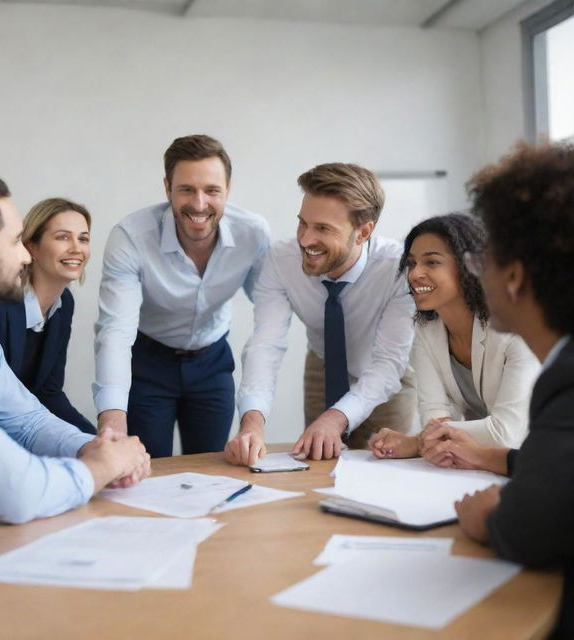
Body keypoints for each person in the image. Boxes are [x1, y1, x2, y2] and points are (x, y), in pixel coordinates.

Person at [0, 173, 150, 638]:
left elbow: (28, 417)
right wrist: (97, 469)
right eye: (16, 241)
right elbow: (17, 492)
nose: (27, 255)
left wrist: (98, 447)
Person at [421, 142, 574, 638]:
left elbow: (528, 529)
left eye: (482, 258)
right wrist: (500, 460)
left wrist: (490, 517)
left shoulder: (565, 379)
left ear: (513, 275)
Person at [226, 162, 417, 466]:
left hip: (387, 373)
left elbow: (388, 363)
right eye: (303, 223)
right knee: (318, 465)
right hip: (323, 362)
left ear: (363, 232)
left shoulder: (399, 269)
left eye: (323, 229)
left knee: (385, 469)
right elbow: (266, 344)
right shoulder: (281, 261)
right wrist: (252, 421)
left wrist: (337, 417)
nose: (305, 239)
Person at [94, 135, 270, 457]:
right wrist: (113, 424)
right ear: (167, 188)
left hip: (212, 362)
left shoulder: (253, 234)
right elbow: (115, 333)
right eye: (186, 189)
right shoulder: (130, 238)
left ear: (228, 189)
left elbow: (270, 324)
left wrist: (254, 420)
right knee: (146, 467)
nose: (199, 204)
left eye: (212, 190)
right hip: (148, 363)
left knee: (211, 467)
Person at [369, 213, 538, 461]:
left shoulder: (515, 328)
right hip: (484, 464)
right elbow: (435, 415)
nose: (415, 274)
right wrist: (438, 445)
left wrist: (416, 442)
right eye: (412, 263)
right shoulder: (426, 331)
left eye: (432, 263)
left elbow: (506, 433)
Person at [0, 198, 95, 433]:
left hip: (25, 428)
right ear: (31, 247)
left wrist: (96, 440)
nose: (76, 248)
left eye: (83, 238)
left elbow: (49, 392)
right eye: (62, 237)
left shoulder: (65, 303)